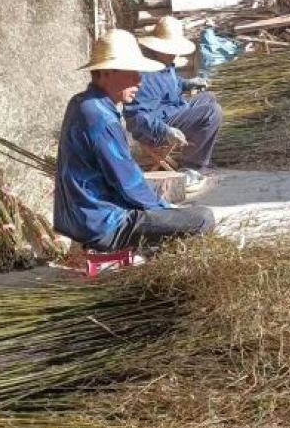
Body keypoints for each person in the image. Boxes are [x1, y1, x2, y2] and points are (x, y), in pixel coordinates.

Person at [54, 29, 216, 252]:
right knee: (202, 218)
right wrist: (164, 209)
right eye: (131, 72)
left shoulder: (81, 103)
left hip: (78, 216)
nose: (139, 80)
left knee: (169, 208)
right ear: (107, 73)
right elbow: (128, 184)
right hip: (102, 224)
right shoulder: (100, 117)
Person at [124, 16, 223, 176]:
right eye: (170, 49)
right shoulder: (145, 75)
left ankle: (197, 156)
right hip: (156, 129)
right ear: (157, 48)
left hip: (172, 111)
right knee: (212, 112)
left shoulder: (164, 64)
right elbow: (136, 117)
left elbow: (172, 83)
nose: (174, 54)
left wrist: (188, 83)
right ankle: (192, 166)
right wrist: (165, 131)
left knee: (209, 97)